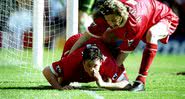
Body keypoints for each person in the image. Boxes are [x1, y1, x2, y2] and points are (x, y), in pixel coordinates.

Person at [69, 0, 179, 91]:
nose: (110, 23)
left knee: (152, 34)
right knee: (107, 36)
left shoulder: (133, 26)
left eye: (113, 20)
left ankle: (141, 81)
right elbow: (85, 36)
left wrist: (111, 73)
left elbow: (123, 55)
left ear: (120, 15)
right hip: (145, 13)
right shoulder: (106, 15)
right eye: (108, 20)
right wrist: (69, 58)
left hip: (163, 17)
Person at [42, 34, 130, 90]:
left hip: (100, 42)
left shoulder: (108, 64)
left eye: (95, 66)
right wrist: (60, 88)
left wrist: (104, 84)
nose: (92, 69)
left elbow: (127, 84)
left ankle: (107, 77)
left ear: (101, 62)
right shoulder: (73, 61)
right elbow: (46, 71)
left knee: (110, 78)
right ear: (83, 62)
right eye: (88, 65)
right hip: (75, 41)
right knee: (63, 81)